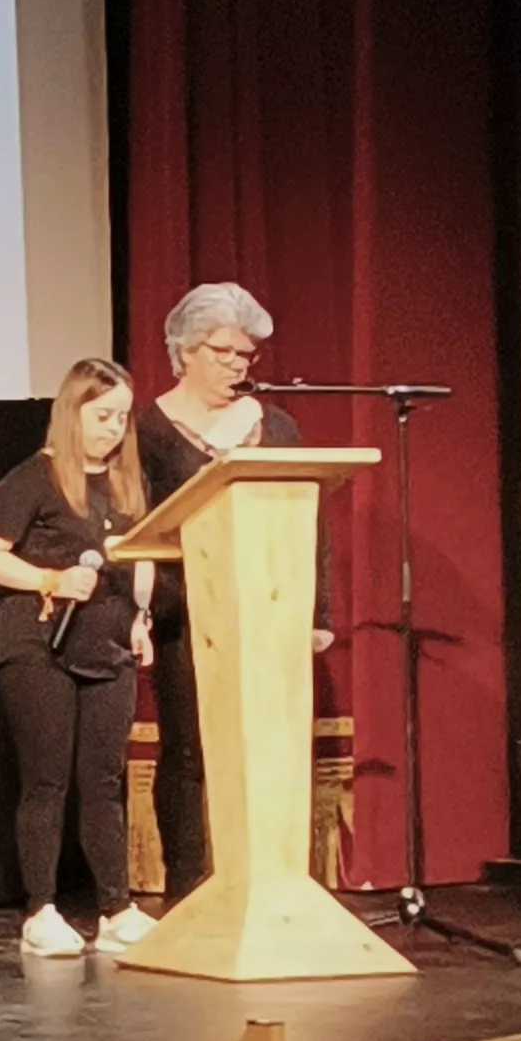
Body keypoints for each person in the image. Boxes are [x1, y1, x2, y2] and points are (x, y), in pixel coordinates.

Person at [135, 281, 334, 906]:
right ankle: (188, 888)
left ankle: (275, 885)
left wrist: (316, 609)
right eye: (224, 352)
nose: (237, 366)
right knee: (189, 749)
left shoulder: (276, 425)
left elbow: (311, 521)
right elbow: (138, 525)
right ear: (185, 350)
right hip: (186, 617)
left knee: (272, 747)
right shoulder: (148, 431)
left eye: (246, 356)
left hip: (271, 610)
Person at [0, 360, 158, 958]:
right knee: (47, 780)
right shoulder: (33, 479)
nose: (113, 428)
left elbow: (143, 555)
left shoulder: (128, 485)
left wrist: (140, 619)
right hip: (39, 644)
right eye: (102, 416)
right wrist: (50, 578)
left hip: (108, 645)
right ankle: (42, 911)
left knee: (104, 781)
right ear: (72, 413)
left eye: (122, 418)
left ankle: (115, 909)